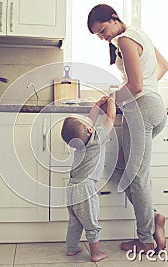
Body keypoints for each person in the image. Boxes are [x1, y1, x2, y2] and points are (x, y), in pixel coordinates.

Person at [87, 4, 168, 254]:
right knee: (124, 171)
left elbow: (135, 85)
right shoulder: (139, 34)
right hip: (154, 108)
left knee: (137, 177)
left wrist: (112, 98)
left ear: (114, 18)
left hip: (142, 110)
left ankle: (145, 239)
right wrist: (139, 87)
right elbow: (163, 66)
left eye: (102, 31)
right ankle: (154, 217)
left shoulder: (124, 39)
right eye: (99, 36)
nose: (103, 37)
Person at [60, 95, 116, 262]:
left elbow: (89, 122)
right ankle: (95, 253)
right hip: (86, 189)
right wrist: (112, 100)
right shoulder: (97, 138)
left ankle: (71, 249)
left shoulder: (80, 145)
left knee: (75, 222)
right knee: (91, 223)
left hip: (71, 187)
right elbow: (111, 118)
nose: (88, 121)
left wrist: (97, 105)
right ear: (90, 130)